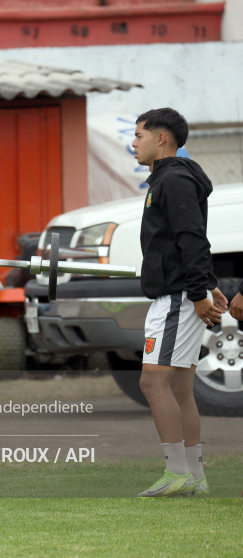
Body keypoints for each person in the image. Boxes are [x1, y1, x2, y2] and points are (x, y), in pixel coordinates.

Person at [132, 107, 227, 498]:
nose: (133, 143)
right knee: (182, 390)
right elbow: (186, 240)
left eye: (139, 135)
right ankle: (196, 478)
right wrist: (207, 284)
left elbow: (192, 237)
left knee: (152, 383)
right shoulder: (168, 179)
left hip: (176, 300)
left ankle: (177, 474)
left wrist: (201, 292)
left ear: (161, 139)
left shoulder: (173, 179)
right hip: (181, 294)